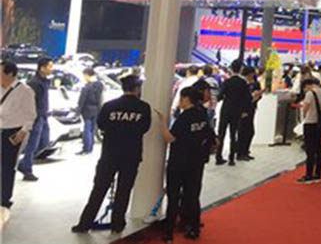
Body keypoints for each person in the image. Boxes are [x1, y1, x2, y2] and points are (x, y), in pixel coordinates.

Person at [71, 75, 152, 234]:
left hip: (110, 153)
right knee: (124, 190)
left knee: (99, 188)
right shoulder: (143, 107)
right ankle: (117, 224)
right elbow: (145, 128)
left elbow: (101, 125)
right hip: (131, 155)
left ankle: (84, 223)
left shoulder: (109, 106)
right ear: (137, 89)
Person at [159, 86, 214, 242]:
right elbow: (207, 134)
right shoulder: (202, 114)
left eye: (181, 99)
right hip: (196, 161)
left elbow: (170, 138)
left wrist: (163, 123)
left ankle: (168, 233)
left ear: (186, 99)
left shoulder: (184, 118)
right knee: (192, 196)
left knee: (174, 197)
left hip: (178, 162)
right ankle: (194, 229)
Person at [1, 61, 37, 215]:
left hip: (13, 132)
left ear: (10, 74)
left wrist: (23, 132)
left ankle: (4, 199)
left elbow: (31, 115)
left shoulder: (24, 91)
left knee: (7, 166)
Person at [16, 57, 52, 181]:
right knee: (32, 144)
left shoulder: (44, 82)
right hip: (35, 118)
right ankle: (27, 170)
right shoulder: (34, 83)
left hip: (43, 116)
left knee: (44, 143)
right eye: (49, 66)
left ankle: (23, 164)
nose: (51, 69)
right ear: (42, 68)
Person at [297, 77, 321, 184]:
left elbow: (305, 107)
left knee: (310, 150)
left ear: (308, 85)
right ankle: (318, 174)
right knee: (318, 148)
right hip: (320, 124)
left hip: (310, 123)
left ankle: (309, 174)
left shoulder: (310, 93)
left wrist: (304, 116)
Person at [215, 60, 251, 166]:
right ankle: (231, 158)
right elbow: (247, 98)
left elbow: (220, 96)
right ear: (241, 69)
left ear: (231, 68)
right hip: (237, 110)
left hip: (226, 109)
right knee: (233, 133)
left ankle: (218, 156)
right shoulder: (243, 83)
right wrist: (245, 110)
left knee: (221, 133)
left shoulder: (227, 82)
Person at [234, 66, 261, 161]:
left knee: (249, 131)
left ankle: (245, 151)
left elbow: (258, 95)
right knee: (243, 131)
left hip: (251, 108)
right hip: (243, 110)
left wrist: (257, 96)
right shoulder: (242, 83)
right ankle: (240, 152)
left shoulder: (255, 83)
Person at [77, 67, 105, 155]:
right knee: (92, 129)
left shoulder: (87, 87)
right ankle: (90, 147)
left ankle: (86, 148)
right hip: (96, 109)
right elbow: (101, 98)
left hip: (87, 110)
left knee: (87, 129)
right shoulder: (100, 85)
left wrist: (78, 111)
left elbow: (82, 100)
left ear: (87, 75)